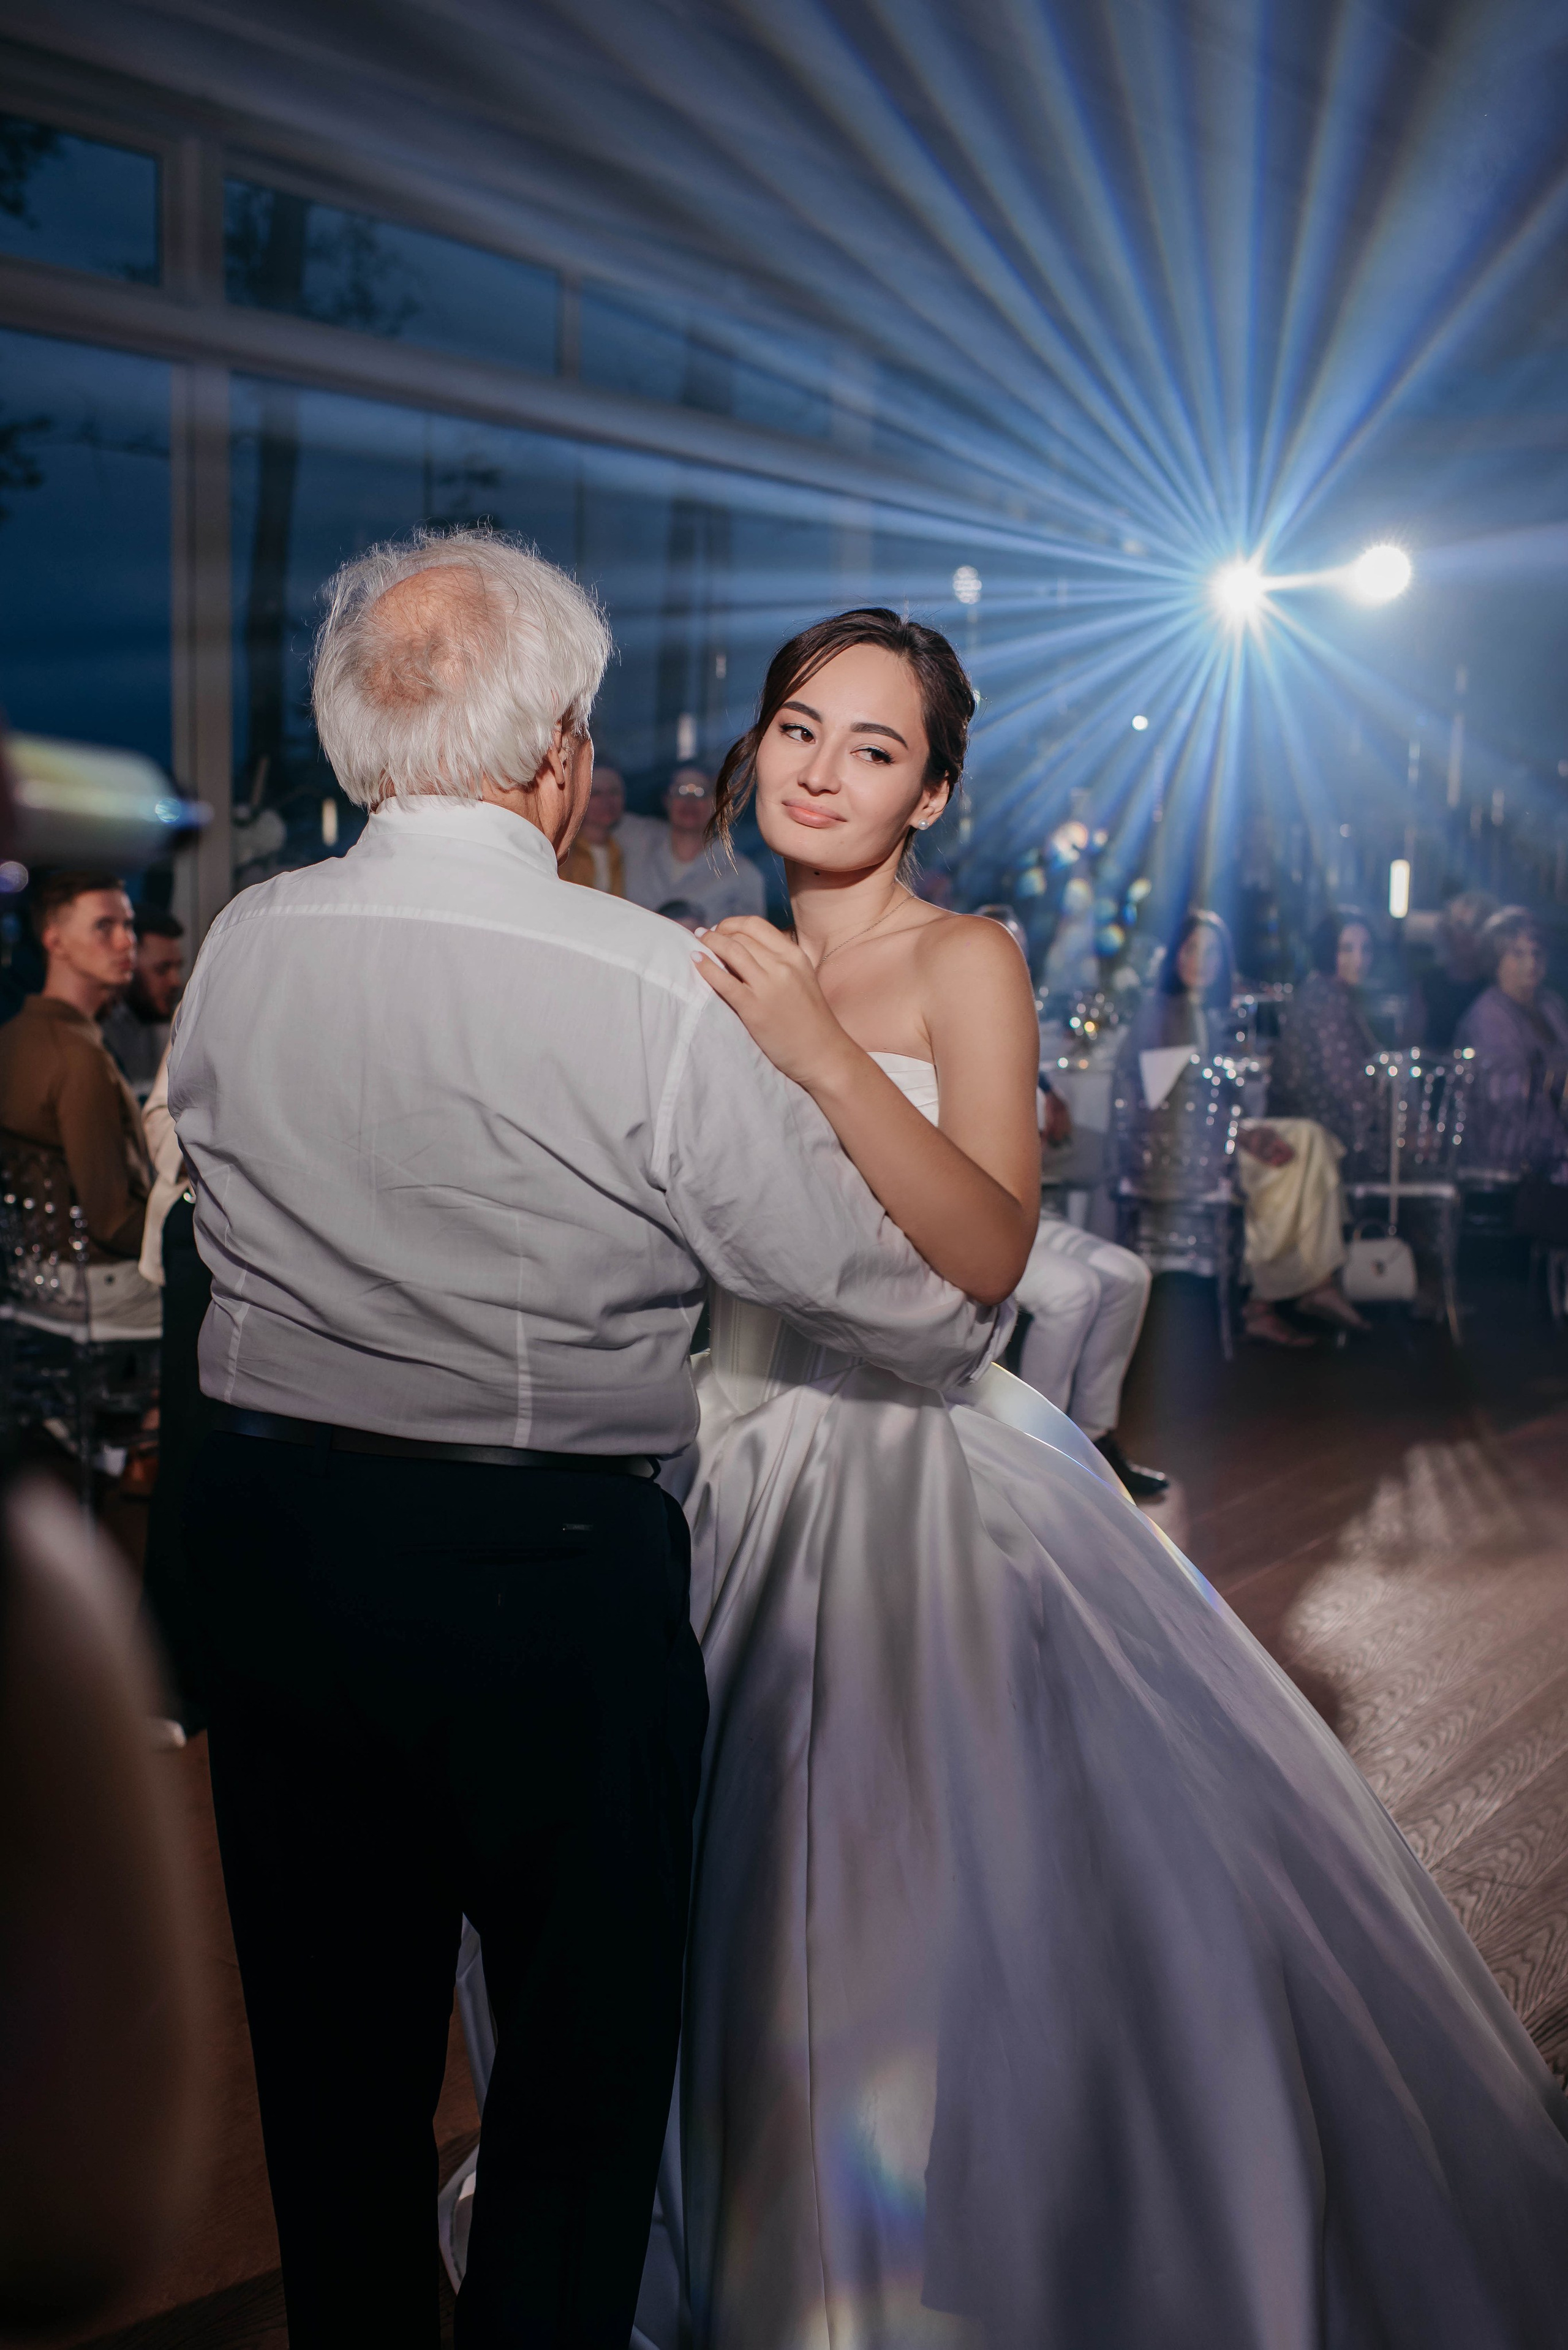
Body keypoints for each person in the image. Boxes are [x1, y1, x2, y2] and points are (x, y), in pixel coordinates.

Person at [638, 607, 1568, 2346]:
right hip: (723, 1461)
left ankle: (950, 2274)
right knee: (723, 1910)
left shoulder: (961, 958)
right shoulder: (718, 952)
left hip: (912, 1476)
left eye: (876, 746)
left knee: (913, 1899)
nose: (823, 769)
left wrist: (825, 1061)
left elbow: (992, 1244)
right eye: (797, 728)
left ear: (930, 794)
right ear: (752, 748)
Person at [168, 531, 999, 2350]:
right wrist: (965, 1316)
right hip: (547, 1588)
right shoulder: (640, 978)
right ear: (555, 754)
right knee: (571, 2087)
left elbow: (202, 1222)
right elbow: (891, 1295)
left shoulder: (240, 946)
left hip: (284, 1561)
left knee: (332, 2085)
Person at [1116, 912, 1364, 1347]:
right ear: (1174, 956)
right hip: (1172, 1155)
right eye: (1192, 949)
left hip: (1209, 1142)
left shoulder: (1204, 1015)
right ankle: (1272, 1299)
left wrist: (1243, 1131)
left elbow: (1207, 1100)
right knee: (1289, 1167)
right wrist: (1242, 1136)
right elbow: (1167, 1107)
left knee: (1311, 1139)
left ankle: (1312, 1282)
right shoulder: (1162, 1014)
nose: (1202, 961)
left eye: (1212, 952)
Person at [0, 871, 160, 1333]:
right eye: (103, 927)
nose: (125, 942)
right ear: (55, 940)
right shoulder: (78, 1057)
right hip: (93, 1281)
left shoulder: (16, 1033)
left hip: (34, 1273)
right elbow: (111, 1221)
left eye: (128, 925)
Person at [1455, 906, 1568, 1175]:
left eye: (1536, 953)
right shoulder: (1487, 1016)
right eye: (1518, 954)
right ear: (1496, 958)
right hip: (1509, 1162)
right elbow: (1508, 1095)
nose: (1531, 963)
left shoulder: (1551, 1005)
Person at [1268, 908, 1381, 1154]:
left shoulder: (1327, 992)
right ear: (1329, 950)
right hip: (1319, 1140)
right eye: (1347, 949)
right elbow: (1347, 1086)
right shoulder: (1326, 1000)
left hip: (1322, 1133)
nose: (1359, 960)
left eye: (1367, 949)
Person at [622, 765, 767, 923]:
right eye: (681, 791)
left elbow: (747, 939)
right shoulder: (637, 839)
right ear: (666, 800)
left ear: (715, 804)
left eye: (701, 793)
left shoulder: (741, 873)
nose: (690, 801)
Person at [100, 909, 186, 1097]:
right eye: (162, 969)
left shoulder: (174, 1026)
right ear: (128, 964)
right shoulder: (101, 1032)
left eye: (177, 967)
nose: (176, 981)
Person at [1419, 888, 1499, 1049]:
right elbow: (1409, 1048)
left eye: (1476, 926)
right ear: (1446, 931)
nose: (1468, 935)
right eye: (1461, 926)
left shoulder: (1498, 987)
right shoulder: (1429, 985)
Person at [557, 761, 630, 894]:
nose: (607, 801)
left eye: (614, 792)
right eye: (596, 793)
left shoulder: (625, 851)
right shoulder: (563, 854)